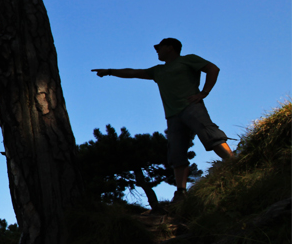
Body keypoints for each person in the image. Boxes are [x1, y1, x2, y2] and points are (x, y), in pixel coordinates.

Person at [92, 38, 233, 203]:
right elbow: (134, 72)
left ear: (170, 48)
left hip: (191, 107)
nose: (156, 51)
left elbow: (213, 69)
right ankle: (181, 192)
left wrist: (204, 92)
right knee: (176, 152)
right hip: (173, 116)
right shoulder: (158, 71)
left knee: (210, 134)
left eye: (159, 48)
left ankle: (234, 163)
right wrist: (109, 71)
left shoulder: (187, 60)